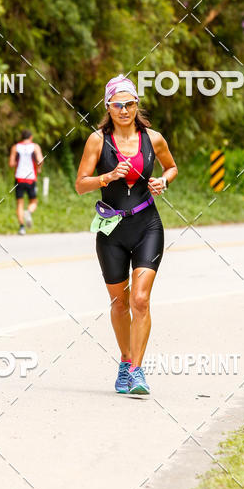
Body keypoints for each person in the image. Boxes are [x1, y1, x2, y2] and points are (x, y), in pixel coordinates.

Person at [75, 75, 178, 396]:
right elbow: (80, 184)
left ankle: (137, 371)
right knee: (119, 304)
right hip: (112, 230)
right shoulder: (97, 141)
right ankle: (125, 359)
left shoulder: (154, 138)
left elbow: (171, 167)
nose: (124, 110)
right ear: (108, 106)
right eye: (118, 104)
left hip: (147, 225)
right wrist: (106, 177)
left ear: (137, 105)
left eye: (129, 103)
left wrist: (164, 181)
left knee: (140, 300)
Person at [9, 129, 43, 235]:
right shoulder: (35, 146)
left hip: (19, 177)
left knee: (20, 202)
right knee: (33, 201)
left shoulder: (15, 147)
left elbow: (11, 164)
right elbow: (40, 160)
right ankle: (28, 212)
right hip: (30, 178)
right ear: (31, 137)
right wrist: (38, 168)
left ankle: (22, 228)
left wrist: (16, 164)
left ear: (22, 137)